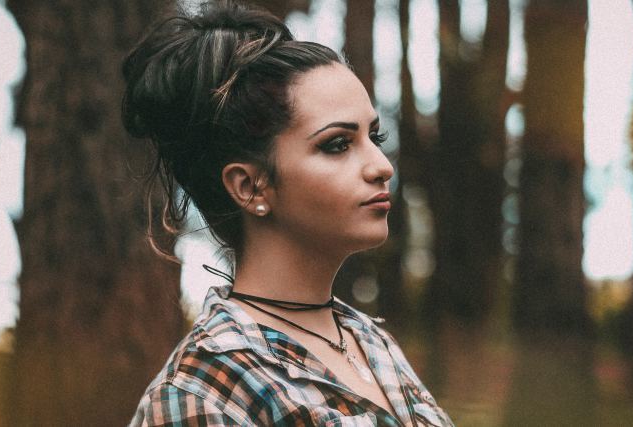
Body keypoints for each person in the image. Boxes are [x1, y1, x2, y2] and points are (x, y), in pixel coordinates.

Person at [122, 1, 452, 425]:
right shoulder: (202, 392)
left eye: (375, 135)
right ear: (250, 186)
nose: (382, 166)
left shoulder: (370, 343)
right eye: (337, 144)